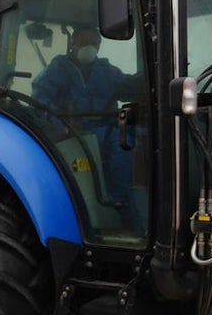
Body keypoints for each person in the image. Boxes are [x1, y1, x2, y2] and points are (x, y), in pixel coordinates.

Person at [32, 24, 137, 228]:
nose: (89, 47)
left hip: (106, 129)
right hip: (72, 132)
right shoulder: (58, 69)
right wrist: (62, 125)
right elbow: (40, 100)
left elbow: (129, 87)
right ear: (73, 44)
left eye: (93, 42)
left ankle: (122, 210)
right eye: (83, 42)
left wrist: (147, 81)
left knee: (126, 141)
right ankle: (93, 215)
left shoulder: (106, 70)